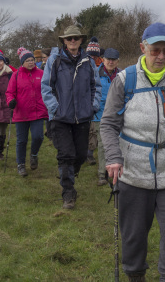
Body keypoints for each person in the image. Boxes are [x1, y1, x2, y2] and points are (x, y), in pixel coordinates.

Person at [101, 22, 165, 281]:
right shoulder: (125, 81)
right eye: (155, 50)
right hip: (133, 173)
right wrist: (113, 157)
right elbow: (109, 123)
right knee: (134, 234)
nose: (161, 57)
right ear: (142, 47)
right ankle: (135, 275)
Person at [41, 25, 100, 209]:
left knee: (81, 155)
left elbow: (95, 87)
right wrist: (55, 109)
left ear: (81, 40)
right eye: (69, 39)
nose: (72, 41)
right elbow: (46, 87)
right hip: (61, 118)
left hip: (82, 117)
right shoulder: (55, 61)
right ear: (64, 41)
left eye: (75, 38)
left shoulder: (89, 62)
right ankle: (68, 192)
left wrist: (93, 106)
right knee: (66, 155)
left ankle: (69, 174)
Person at [6, 47, 49, 176]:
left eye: (32, 60)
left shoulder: (41, 73)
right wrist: (11, 101)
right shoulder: (16, 75)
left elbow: (48, 89)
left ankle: (34, 154)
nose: (31, 62)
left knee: (38, 137)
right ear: (22, 62)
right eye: (28, 60)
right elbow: (9, 92)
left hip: (38, 111)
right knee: (21, 140)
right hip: (21, 113)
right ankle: (21, 165)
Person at [92, 47, 120, 186]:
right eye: (108, 59)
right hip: (100, 115)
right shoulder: (95, 74)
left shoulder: (122, 75)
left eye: (113, 60)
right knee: (103, 145)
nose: (110, 62)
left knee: (119, 143)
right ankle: (102, 174)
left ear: (117, 61)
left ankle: (118, 171)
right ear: (103, 60)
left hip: (118, 115)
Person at [85, 37, 102, 166]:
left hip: (99, 103)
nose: (92, 58)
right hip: (85, 101)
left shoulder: (102, 66)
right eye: (90, 55)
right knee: (88, 130)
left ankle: (90, 153)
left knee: (94, 132)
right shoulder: (84, 64)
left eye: (94, 56)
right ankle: (85, 152)